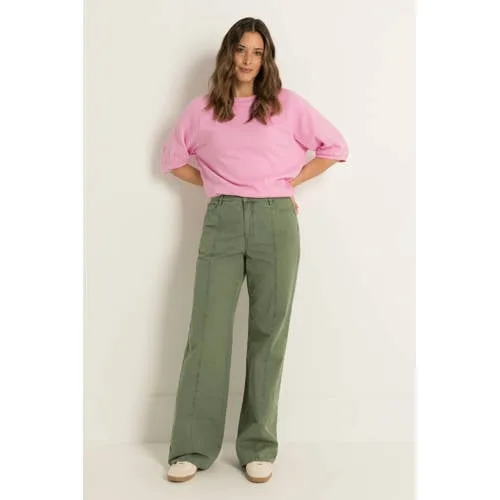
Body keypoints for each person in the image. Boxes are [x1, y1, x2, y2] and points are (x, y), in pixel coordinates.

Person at [161, 17, 349, 484]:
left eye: (257, 52)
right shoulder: (203, 109)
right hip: (222, 219)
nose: (248, 60)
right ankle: (191, 448)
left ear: (267, 59)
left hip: (275, 220)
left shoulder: (286, 105)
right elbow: (173, 160)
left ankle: (258, 446)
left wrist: (290, 183)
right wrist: (215, 182)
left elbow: (334, 146)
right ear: (229, 53)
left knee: (269, 332)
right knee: (207, 333)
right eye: (241, 49)